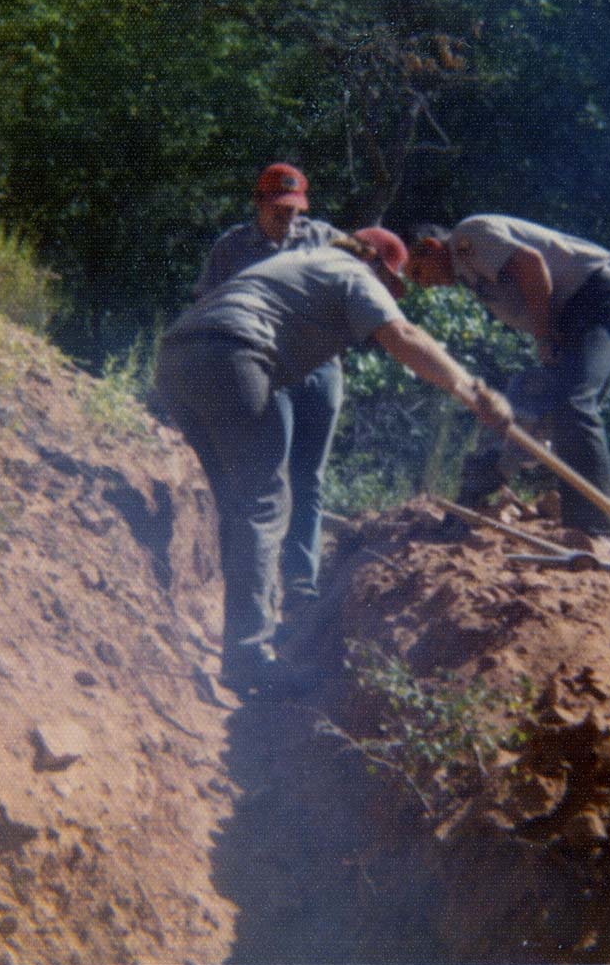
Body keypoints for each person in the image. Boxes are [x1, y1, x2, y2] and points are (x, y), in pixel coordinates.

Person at [156, 228, 511, 698]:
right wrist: (472, 391)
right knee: (266, 503)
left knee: (242, 508)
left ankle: (243, 639)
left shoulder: (304, 263)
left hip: (177, 356)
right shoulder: (350, 271)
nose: (393, 294)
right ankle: (248, 658)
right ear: (378, 264)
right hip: (233, 351)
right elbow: (401, 334)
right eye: (394, 284)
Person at [406, 214, 610, 545]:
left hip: (595, 299)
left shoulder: (466, 239)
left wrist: (543, 337)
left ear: (429, 247)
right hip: (572, 316)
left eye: (418, 272)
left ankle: (598, 532)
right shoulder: (469, 270)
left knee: (574, 404)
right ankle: (472, 499)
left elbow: (531, 265)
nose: (423, 284)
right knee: (526, 411)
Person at [193, 163, 341, 602]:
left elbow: (365, 272)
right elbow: (206, 303)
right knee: (271, 475)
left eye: (294, 209)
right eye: (278, 208)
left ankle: (300, 582)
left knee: (309, 476)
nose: (287, 218)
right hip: (268, 369)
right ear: (258, 202)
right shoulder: (232, 248)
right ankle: (262, 583)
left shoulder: (321, 237)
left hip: (321, 366)